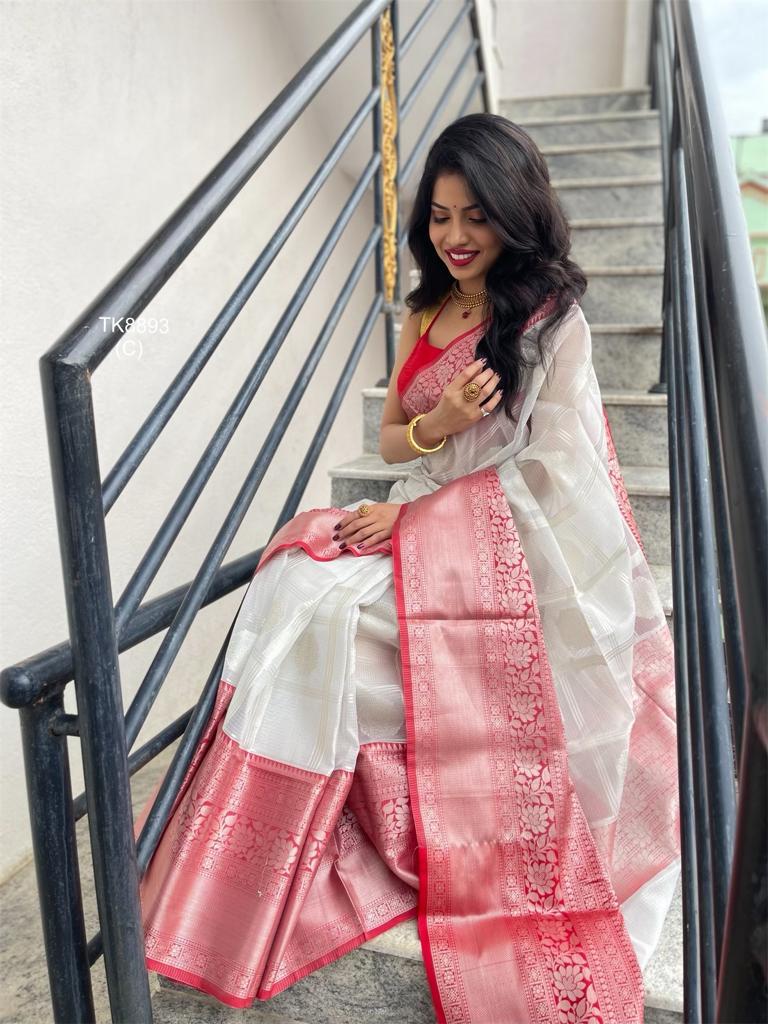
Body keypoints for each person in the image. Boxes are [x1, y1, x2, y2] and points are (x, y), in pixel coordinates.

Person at [137, 113, 680, 1023]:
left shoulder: (551, 321)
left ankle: (403, 830)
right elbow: (395, 438)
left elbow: (557, 473)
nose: (456, 237)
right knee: (296, 578)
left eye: (477, 215)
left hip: (510, 540)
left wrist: (420, 516)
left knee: (347, 618)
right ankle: (272, 850)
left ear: (516, 210)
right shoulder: (427, 311)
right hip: (430, 500)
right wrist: (441, 430)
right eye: (439, 216)